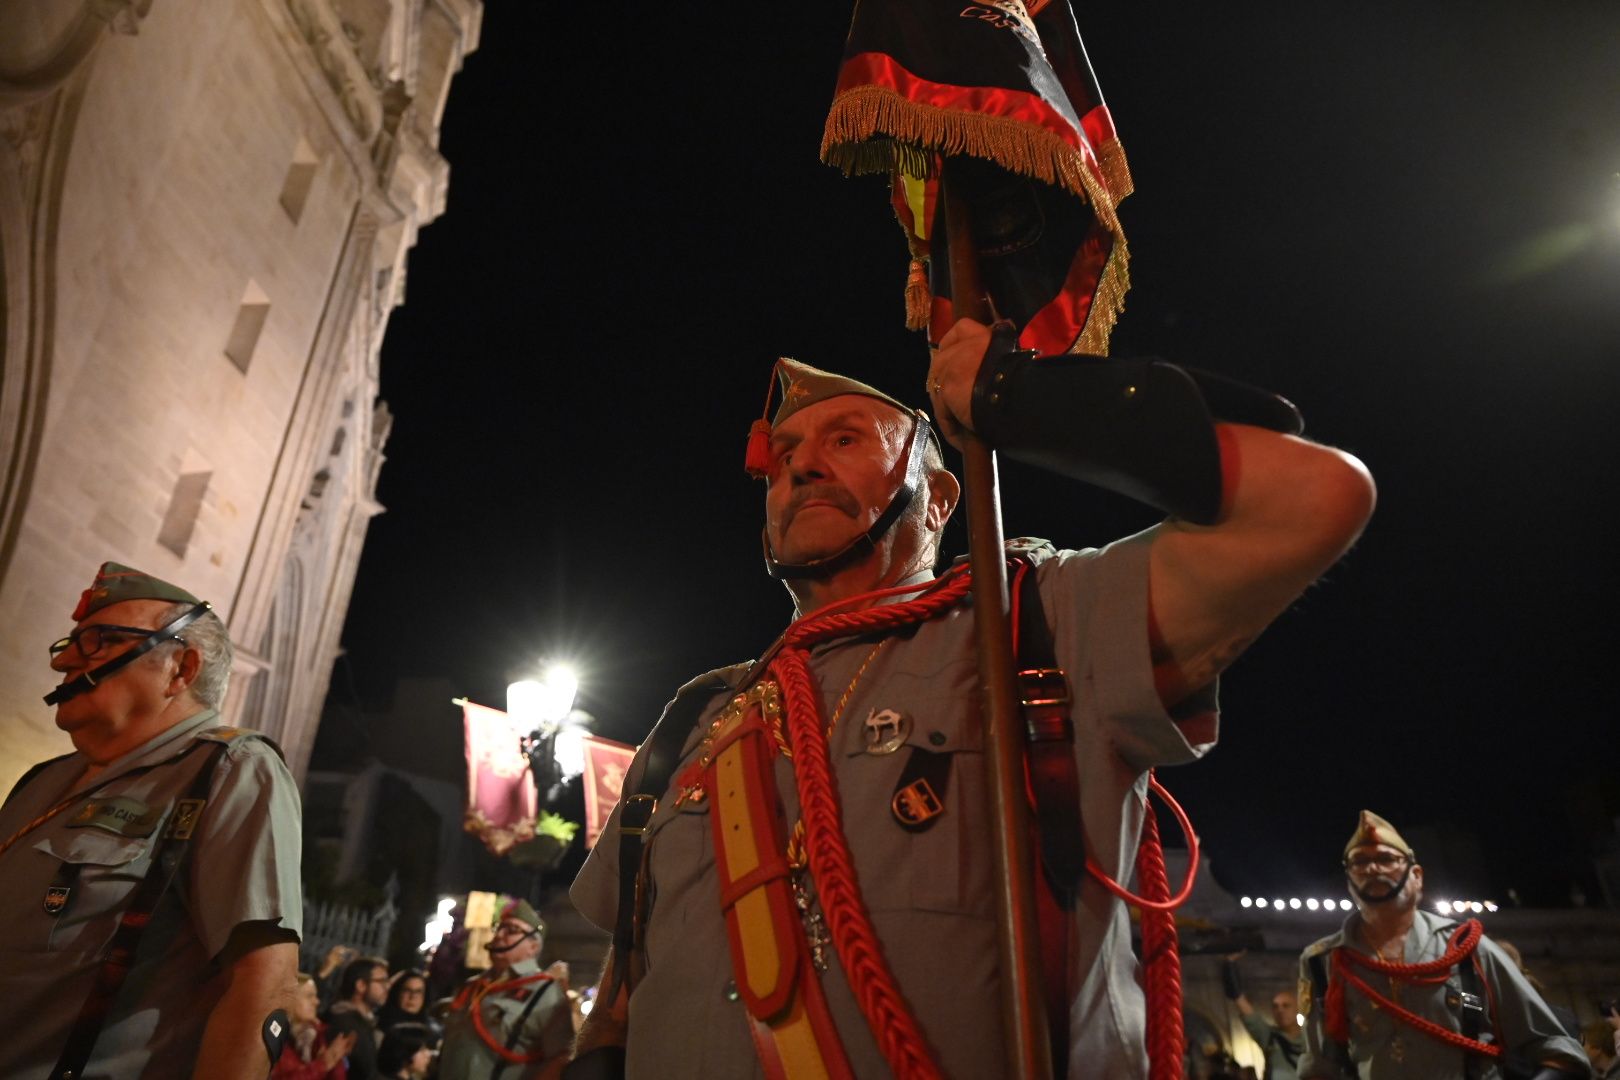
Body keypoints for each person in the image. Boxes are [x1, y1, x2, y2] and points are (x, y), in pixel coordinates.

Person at [568, 316, 1378, 1078]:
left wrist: (1019, 400)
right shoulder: (694, 719)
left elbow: (1312, 499)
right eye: (781, 456)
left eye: (843, 439)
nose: (800, 465)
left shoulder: (1033, 624)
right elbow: (620, 999)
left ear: (943, 497)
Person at [0, 561, 303, 1079]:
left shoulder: (230, 771)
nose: (67, 663)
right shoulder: (40, 782)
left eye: (100, 642)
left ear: (181, 670)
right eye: (71, 643)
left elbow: (260, 987)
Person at [1297, 810, 1590, 1079]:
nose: (1373, 869)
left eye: (1386, 859)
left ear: (1416, 877)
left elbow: (1556, 1048)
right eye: (1360, 862)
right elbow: (1320, 1068)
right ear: (1349, 881)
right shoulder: (1324, 962)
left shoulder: (1468, 950)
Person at [438, 899, 572, 1080]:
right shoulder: (473, 986)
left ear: (533, 946)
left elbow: (560, 1058)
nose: (500, 935)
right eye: (499, 928)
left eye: (512, 930)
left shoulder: (546, 992)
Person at [1224, 953, 1306, 1080]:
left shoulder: (1312, 1038)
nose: (1280, 1010)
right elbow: (1240, 1001)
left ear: (1297, 1009)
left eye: (1286, 1006)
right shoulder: (1269, 1036)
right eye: (1275, 1006)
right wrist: (1229, 966)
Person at [275, 972, 358, 1078]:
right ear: (289, 1000)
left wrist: (335, 1059)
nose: (317, 1002)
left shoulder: (318, 1035)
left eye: (316, 996)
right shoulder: (277, 1039)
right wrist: (323, 1064)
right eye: (309, 996)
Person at [325, 955, 390, 1080]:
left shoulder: (362, 1022)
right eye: (382, 981)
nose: (387, 987)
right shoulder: (347, 1024)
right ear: (361, 985)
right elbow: (366, 1073)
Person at [377, 967, 443, 1046]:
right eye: (407, 990)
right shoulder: (380, 1025)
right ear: (397, 993)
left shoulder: (433, 1032)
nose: (412, 997)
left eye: (418, 992)